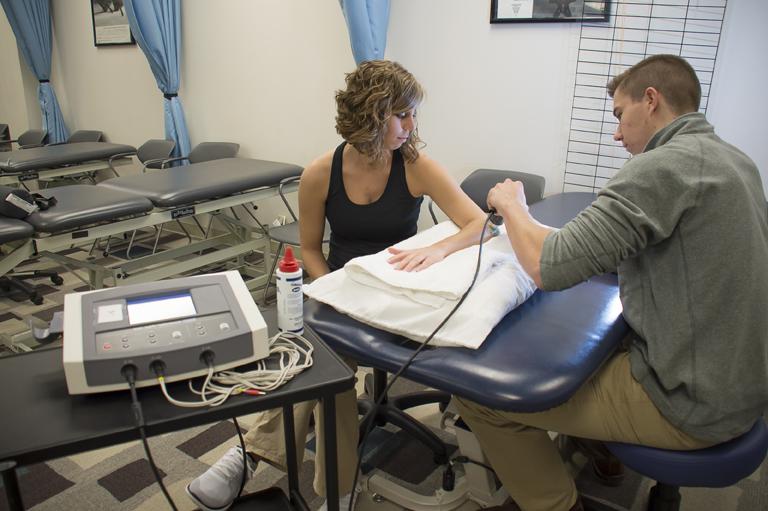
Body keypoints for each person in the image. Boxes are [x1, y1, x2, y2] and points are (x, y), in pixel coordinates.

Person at [455, 54, 768, 511]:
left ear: (651, 100)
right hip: (739, 382)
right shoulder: (734, 160)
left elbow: (547, 266)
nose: (616, 132)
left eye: (620, 115)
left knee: (482, 398)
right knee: (593, 351)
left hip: (693, 405)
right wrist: (566, 243)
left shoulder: (661, 167)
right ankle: (604, 457)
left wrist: (513, 205)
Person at [186, 60, 487, 511]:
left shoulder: (416, 166)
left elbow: (479, 225)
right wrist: (331, 290)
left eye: (413, 114)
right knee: (322, 367)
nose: (411, 125)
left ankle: (261, 457)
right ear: (372, 115)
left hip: (398, 296)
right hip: (342, 289)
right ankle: (320, 483)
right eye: (401, 114)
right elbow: (310, 250)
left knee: (324, 365)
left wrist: (439, 249)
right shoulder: (320, 173)